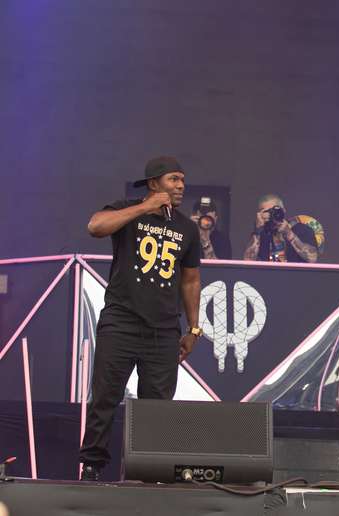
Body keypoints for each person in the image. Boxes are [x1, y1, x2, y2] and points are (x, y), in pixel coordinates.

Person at [79, 156, 202, 481]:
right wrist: (144, 208)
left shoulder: (187, 228)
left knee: (157, 405)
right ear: (153, 184)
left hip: (163, 329)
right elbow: (95, 226)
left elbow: (190, 280)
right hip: (121, 321)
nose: (180, 186)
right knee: (105, 396)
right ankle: (92, 466)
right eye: (173, 179)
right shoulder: (126, 210)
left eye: (182, 180)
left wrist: (193, 327)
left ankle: (149, 470)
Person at [242, 194, 319, 263]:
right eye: (267, 212)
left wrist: (288, 233)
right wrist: (257, 231)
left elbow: (312, 258)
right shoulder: (261, 233)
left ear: (283, 210)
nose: (272, 214)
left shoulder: (301, 229)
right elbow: (248, 261)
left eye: (275, 210)